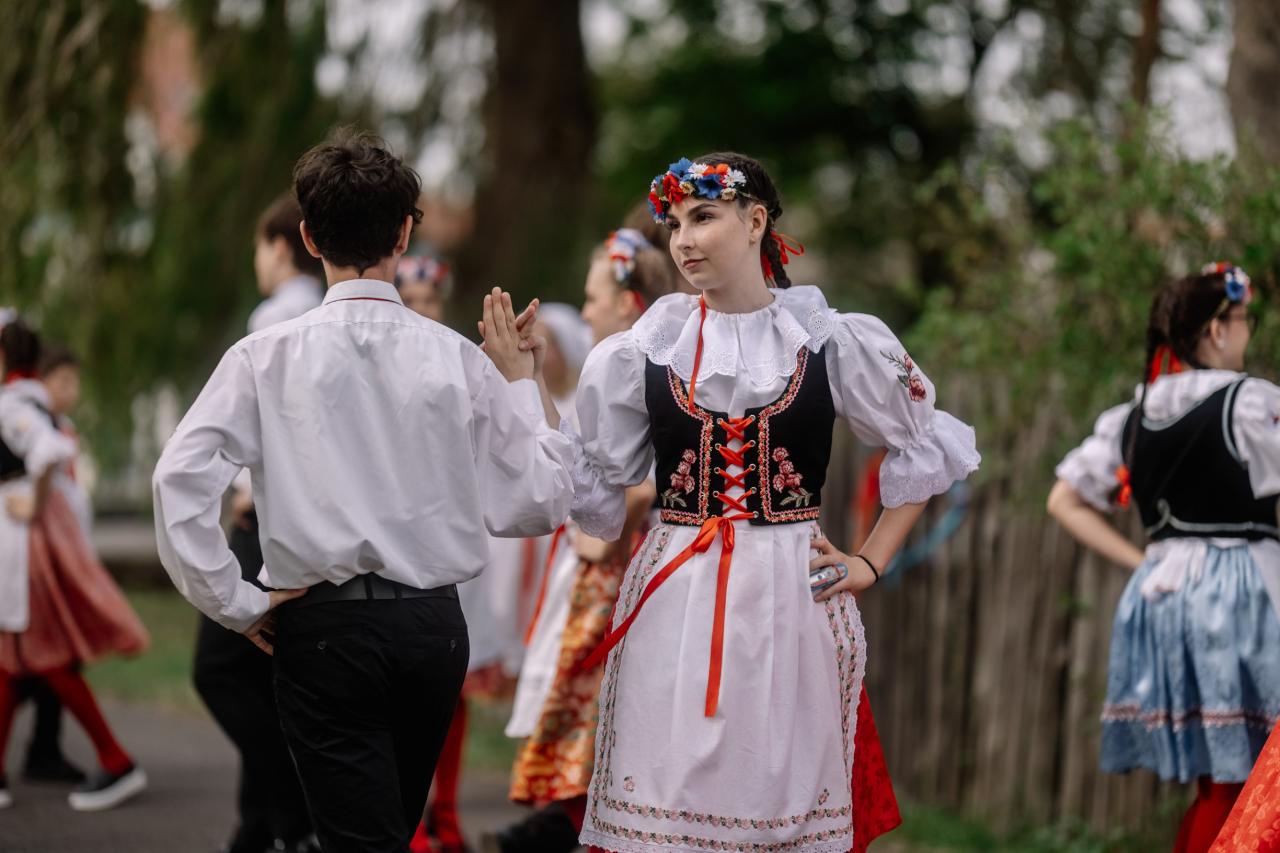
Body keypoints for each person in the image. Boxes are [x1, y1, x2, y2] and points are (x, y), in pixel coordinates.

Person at [153, 128, 575, 853]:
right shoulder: (459, 360)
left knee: (365, 837)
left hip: (326, 627)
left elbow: (178, 479)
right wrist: (519, 383)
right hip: (431, 629)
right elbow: (535, 501)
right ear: (405, 233)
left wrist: (235, 601)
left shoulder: (264, 356)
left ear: (309, 238)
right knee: (382, 833)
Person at [562, 154, 979, 852]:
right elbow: (597, 484)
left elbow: (925, 445)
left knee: (778, 800)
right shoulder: (646, 350)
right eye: (674, 224)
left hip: (790, 599)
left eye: (703, 217)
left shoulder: (830, 341)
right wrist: (524, 393)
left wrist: (870, 561)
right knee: (669, 808)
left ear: (755, 221)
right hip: (676, 601)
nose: (684, 240)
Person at [1049, 264, 1280, 853]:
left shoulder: (1136, 412)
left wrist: (1143, 562)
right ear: (1217, 330)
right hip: (1240, 598)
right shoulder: (1249, 402)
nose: (1247, 332)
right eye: (1244, 320)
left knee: (1221, 782)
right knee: (1248, 780)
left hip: (1163, 601)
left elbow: (1063, 500)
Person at [486, 225, 680, 853]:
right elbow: (574, 456)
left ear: (626, 302)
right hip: (609, 558)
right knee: (590, 700)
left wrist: (608, 531)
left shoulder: (655, 365)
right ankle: (577, 820)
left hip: (635, 564)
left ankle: (583, 822)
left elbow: (648, 479)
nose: (587, 310)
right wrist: (532, 377)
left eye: (595, 298)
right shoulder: (618, 367)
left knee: (608, 702)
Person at [192, 194, 323, 853]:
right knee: (259, 674)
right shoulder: (325, 310)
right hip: (309, 520)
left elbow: (255, 421)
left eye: (257, 248)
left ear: (278, 245)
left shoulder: (275, 315)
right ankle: (257, 826)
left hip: (263, 518)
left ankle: (294, 811)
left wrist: (242, 488)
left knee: (217, 668)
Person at [0, 321, 149, 812]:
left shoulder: (13, 406)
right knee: (13, 661)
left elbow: (47, 452)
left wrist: (31, 501)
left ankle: (116, 758)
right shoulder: (29, 402)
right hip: (24, 549)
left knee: (41, 655)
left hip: (24, 551)